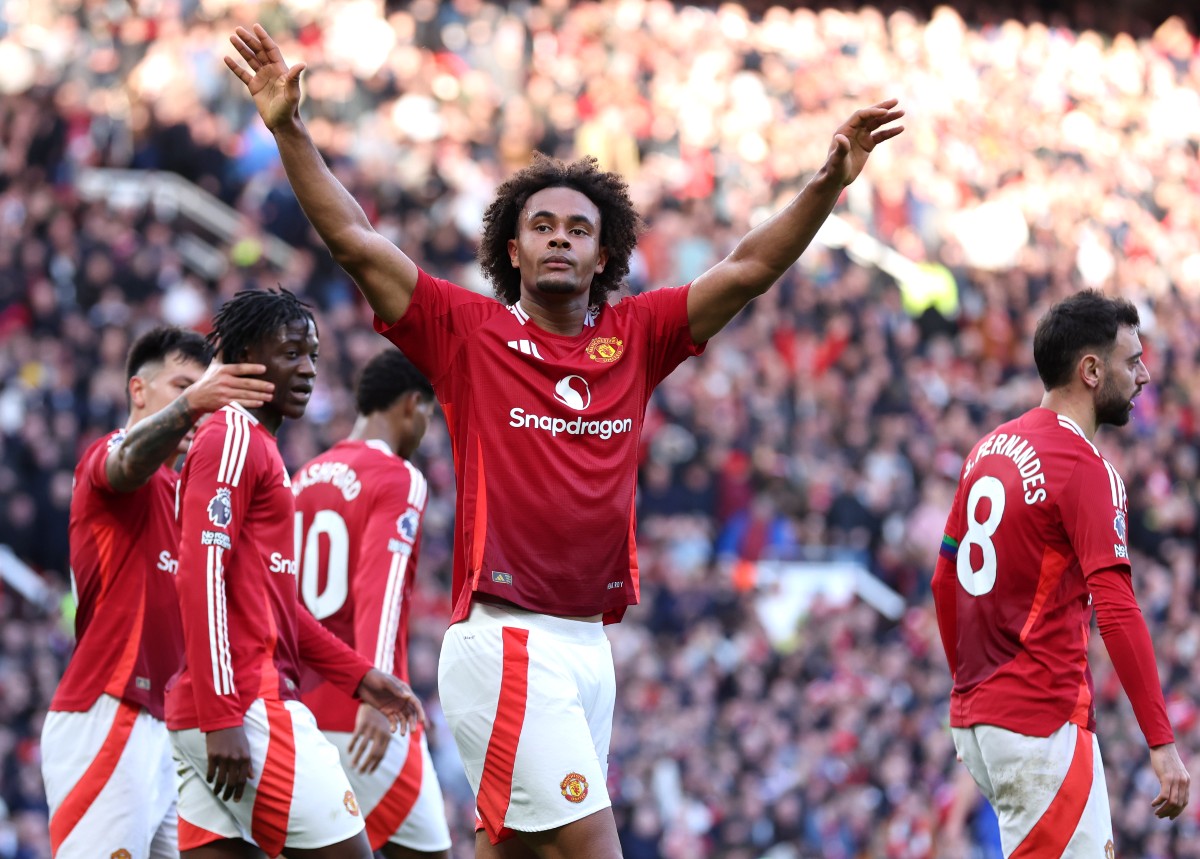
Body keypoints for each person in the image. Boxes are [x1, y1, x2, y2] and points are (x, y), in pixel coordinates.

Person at [225, 23, 902, 858]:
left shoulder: (641, 333)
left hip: (589, 645)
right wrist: (290, 130)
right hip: (508, 636)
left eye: (576, 229)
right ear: (512, 249)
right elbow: (357, 242)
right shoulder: (466, 333)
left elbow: (748, 267)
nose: (557, 237)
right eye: (540, 225)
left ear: (604, 253)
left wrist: (826, 185)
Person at [166, 289, 426, 859]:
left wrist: (361, 678)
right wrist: (221, 714)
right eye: (290, 353)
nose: (308, 368)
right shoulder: (232, 433)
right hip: (243, 704)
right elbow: (199, 575)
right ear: (245, 356)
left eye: (311, 354)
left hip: (219, 708)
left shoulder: (262, 451)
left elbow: (281, 610)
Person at [931, 290, 1190, 856]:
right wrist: (1161, 740)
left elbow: (943, 581)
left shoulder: (988, 449)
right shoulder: (1085, 468)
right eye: (1132, 361)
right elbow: (1117, 609)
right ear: (1091, 370)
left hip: (979, 720)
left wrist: (970, 691)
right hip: (1039, 720)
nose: (1144, 375)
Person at [42, 325, 275, 859]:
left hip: (171, 731)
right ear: (138, 390)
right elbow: (126, 465)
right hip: (110, 710)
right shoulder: (109, 455)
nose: (198, 406)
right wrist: (194, 406)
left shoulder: (192, 495)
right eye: (181, 386)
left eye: (203, 392)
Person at [293, 349, 450, 858]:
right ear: (411, 405)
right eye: (429, 413)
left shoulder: (303, 478)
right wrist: (376, 693)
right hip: (367, 708)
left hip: (298, 708)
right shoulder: (399, 477)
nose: (427, 427)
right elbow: (376, 589)